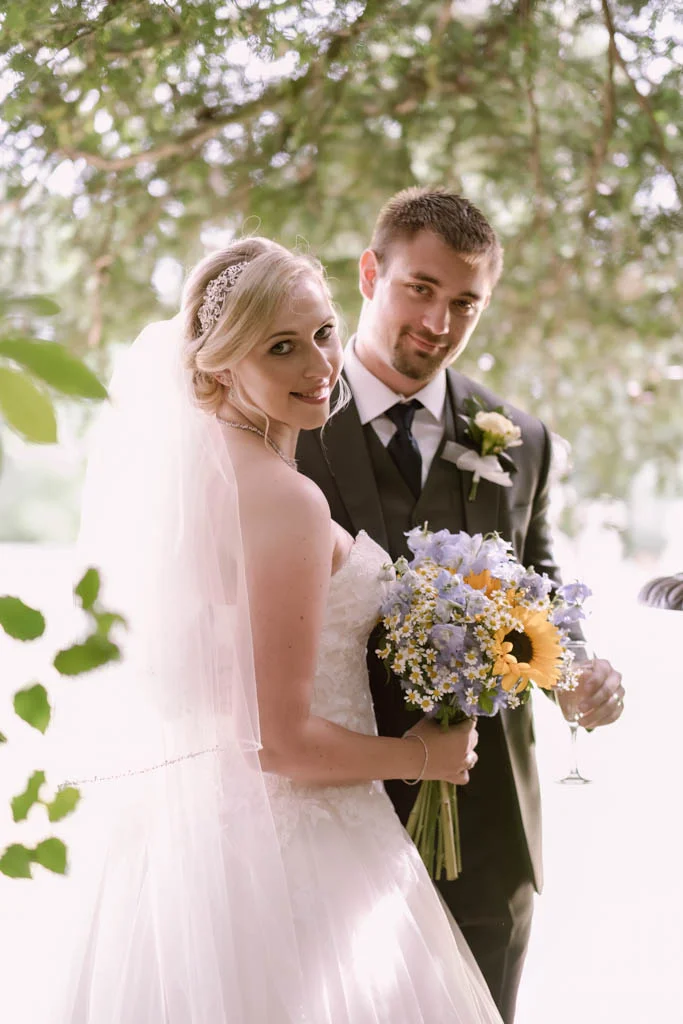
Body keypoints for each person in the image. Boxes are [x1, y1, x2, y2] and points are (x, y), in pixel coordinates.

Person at [50, 236, 504, 1023]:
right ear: (221, 363)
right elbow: (280, 742)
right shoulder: (285, 501)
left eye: (324, 333)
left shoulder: (205, 483)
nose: (318, 366)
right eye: (281, 347)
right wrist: (422, 756)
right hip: (299, 854)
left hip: (190, 855)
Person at [296, 188, 625, 1023]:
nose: (439, 323)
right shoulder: (287, 422)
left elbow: (539, 580)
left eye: (464, 303)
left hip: (488, 821)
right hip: (331, 799)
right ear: (371, 274)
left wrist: (575, 670)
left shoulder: (520, 435)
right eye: (421, 289)